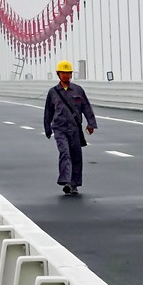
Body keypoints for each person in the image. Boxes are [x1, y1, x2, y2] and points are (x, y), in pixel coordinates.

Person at [43, 60, 97, 195]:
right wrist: (47, 128)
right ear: (58, 74)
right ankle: (66, 181)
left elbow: (86, 106)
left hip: (75, 129)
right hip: (59, 128)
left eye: (68, 73)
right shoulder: (53, 92)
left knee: (76, 156)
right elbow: (48, 111)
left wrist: (91, 123)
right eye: (63, 73)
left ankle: (74, 184)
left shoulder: (78, 90)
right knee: (65, 153)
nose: (66, 76)